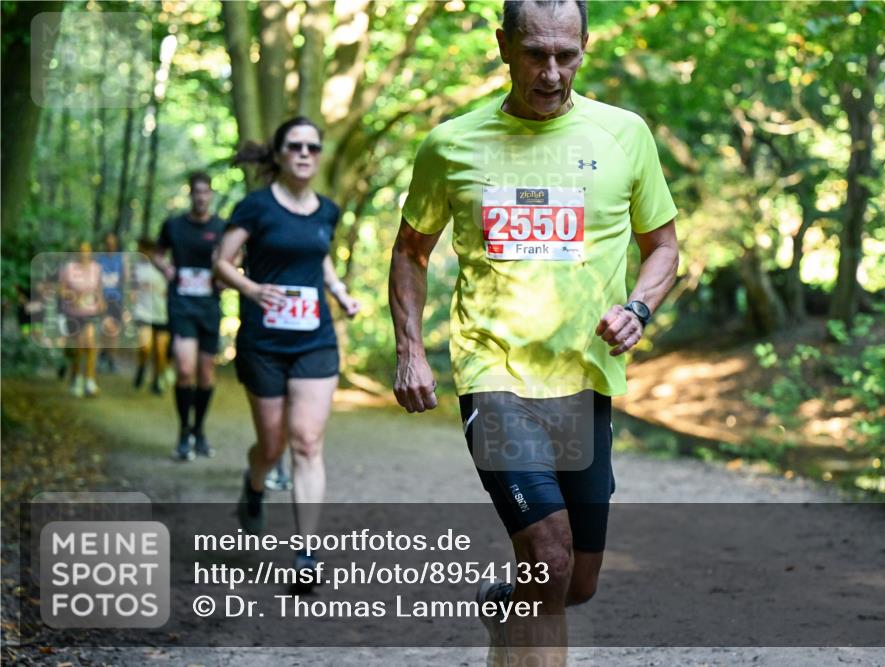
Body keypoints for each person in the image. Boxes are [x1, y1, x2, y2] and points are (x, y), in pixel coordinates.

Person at [389, 2, 680, 665]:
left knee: (575, 579)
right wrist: (411, 350)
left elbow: (663, 245)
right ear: (502, 45)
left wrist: (639, 306)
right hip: (495, 377)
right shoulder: (452, 144)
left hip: (584, 379)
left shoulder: (623, 135)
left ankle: (504, 608)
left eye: (566, 55)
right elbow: (411, 251)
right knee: (548, 555)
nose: (551, 73)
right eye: (534, 54)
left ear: (585, 46)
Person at [214, 116, 360, 588]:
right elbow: (221, 263)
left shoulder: (327, 211)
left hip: (313, 339)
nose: (304, 154)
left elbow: (316, 254)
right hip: (264, 343)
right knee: (271, 445)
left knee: (307, 442)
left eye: (313, 147)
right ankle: (254, 485)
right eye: (294, 146)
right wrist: (253, 290)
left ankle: (306, 554)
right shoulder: (255, 208)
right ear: (278, 155)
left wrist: (337, 290)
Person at [154, 172, 226, 460]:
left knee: (206, 373)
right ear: (190, 194)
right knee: (185, 368)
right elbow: (157, 255)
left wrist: (223, 275)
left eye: (205, 192)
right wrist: (165, 268)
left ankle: (200, 430)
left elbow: (235, 257)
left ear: (211, 195)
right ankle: (183, 431)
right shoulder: (173, 226)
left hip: (209, 305)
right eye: (196, 192)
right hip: (181, 303)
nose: (201, 197)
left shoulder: (222, 227)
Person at [60, 240, 105, 397]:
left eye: (87, 250)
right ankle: (77, 377)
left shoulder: (96, 268)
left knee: (91, 345)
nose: (84, 253)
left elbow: (99, 289)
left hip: (90, 312)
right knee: (78, 348)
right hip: (73, 313)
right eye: (81, 250)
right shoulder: (69, 268)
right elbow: (61, 290)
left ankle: (90, 380)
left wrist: (101, 302)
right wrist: (72, 296)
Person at [133, 237, 171, 394]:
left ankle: (157, 379)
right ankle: (142, 366)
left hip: (161, 314)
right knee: (145, 347)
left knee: (160, 351)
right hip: (143, 313)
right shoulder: (137, 268)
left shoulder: (165, 268)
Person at [96, 232, 125, 373]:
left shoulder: (121, 260)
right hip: (102, 300)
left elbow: (125, 280)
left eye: (112, 243)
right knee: (104, 329)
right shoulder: (99, 260)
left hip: (117, 300)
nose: (110, 245)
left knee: (114, 331)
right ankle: (103, 355)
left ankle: (110, 358)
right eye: (108, 243)